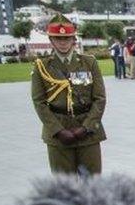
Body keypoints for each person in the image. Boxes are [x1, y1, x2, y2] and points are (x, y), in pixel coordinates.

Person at [30, 13, 106, 175]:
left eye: (67, 38)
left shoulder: (89, 62)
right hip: (59, 134)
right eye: (58, 39)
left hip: (88, 132)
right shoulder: (42, 67)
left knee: (92, 186)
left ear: (73, 40)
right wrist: (58, 130)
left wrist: (86, 128)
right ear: (51, 40)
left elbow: (99, 99)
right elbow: (39, 102)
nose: (63, 42)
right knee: (64, 187)